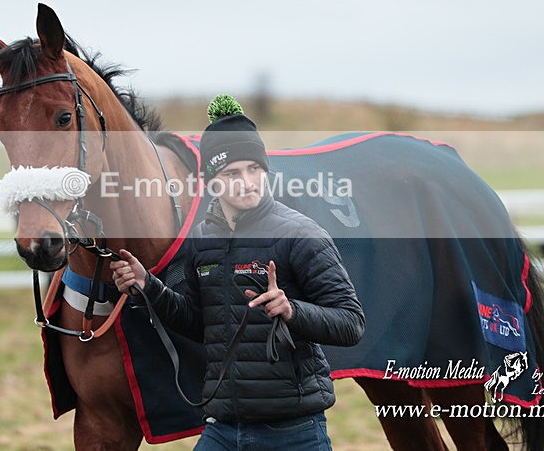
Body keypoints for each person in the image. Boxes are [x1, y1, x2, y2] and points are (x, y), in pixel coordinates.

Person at [110, 95, 365, 450]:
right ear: (213, 181)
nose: (246, 182)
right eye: (232, 173)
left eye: (253, 169)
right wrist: (149, 287)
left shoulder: (301, 235)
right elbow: (201, 324)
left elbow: (351, 323)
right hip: (224, 429)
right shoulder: (200, 240)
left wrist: (292, 310)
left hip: (294, 431)